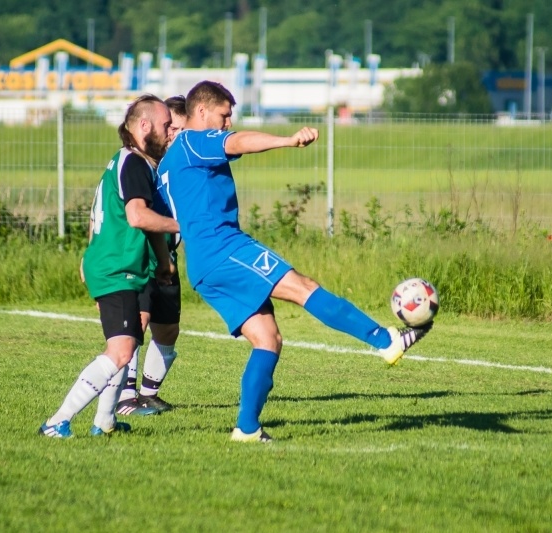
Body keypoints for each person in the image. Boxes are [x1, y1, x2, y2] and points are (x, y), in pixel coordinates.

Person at [157, 81, 432, 443]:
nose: (227, 123)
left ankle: (247, 428)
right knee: (303, 287)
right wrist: (287, 140)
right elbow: (236, 142)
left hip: (203, 265)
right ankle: (386, 340)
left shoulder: (169, 161)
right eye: (224, 115)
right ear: (203, 111)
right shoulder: (195, 140)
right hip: (225, 250)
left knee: (268, 340)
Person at [40, 94, 179, 437]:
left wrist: (163, 262)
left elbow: (144, 221)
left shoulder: (128, 162)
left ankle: (105, 422)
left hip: (121, 266)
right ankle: (57, 421)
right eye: (165, 126)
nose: (169, 132)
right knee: (119, 351)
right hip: (117, 269)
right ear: (144, 126)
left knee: (128, 343)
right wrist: (186, 227)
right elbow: (137, 216)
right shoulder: (133, 163)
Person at [116, 95, 188, 416]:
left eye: (181, 129)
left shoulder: (184, 162)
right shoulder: (142, 163)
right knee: (138, 323)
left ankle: (148, 394)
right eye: (171, 127)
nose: (174, 134)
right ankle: (125, 396)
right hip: (141, 255)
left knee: (168, 328)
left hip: (166, 255)